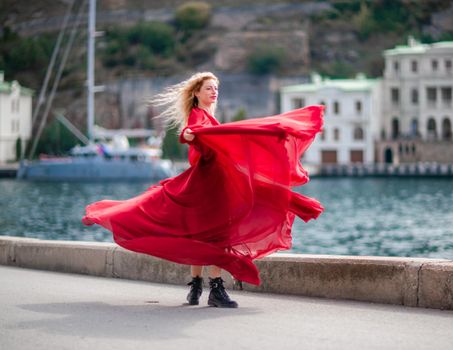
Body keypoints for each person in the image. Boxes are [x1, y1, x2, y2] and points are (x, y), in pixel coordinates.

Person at [82, 72, 324, 308]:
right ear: (196, 93)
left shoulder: (208, 118)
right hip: (208, 186)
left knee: (200, 235)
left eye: (216, 88)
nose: (214, 91)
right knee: (218, 237)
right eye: (208, 88)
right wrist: (190, 136)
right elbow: (193, 134)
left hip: (212, 184)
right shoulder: (199, 116)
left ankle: (196, 287)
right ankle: (216, 290)